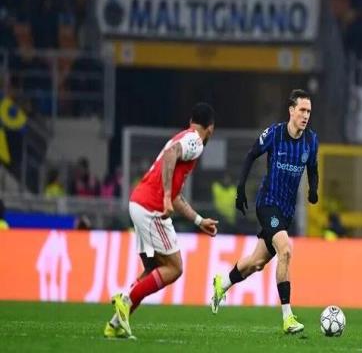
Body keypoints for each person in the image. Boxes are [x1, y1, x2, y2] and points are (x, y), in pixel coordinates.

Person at [104, 102, 219, 339]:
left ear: (191, 121)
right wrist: (165, 196)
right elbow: (170, 155)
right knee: (174, 268)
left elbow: (176, 196)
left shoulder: (183, 137)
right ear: (211, 128)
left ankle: (114, 325)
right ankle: (126, 299)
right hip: (151, 208)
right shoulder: (195, 140)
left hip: (139, 203)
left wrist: (199, 221)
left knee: (153, 269)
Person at [210, 89, 318, 334]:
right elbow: (251, 155)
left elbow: (313, 168)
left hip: (286, 212)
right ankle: (288, 317)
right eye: (302, 110)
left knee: (256, 263)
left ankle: (222, 284)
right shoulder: (275, 134)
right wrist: (240, 190)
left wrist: (314, 189)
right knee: (285, 250)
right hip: (267, 204)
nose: (305, 115)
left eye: (309, 111)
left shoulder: (311, 140)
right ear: (291, 110)